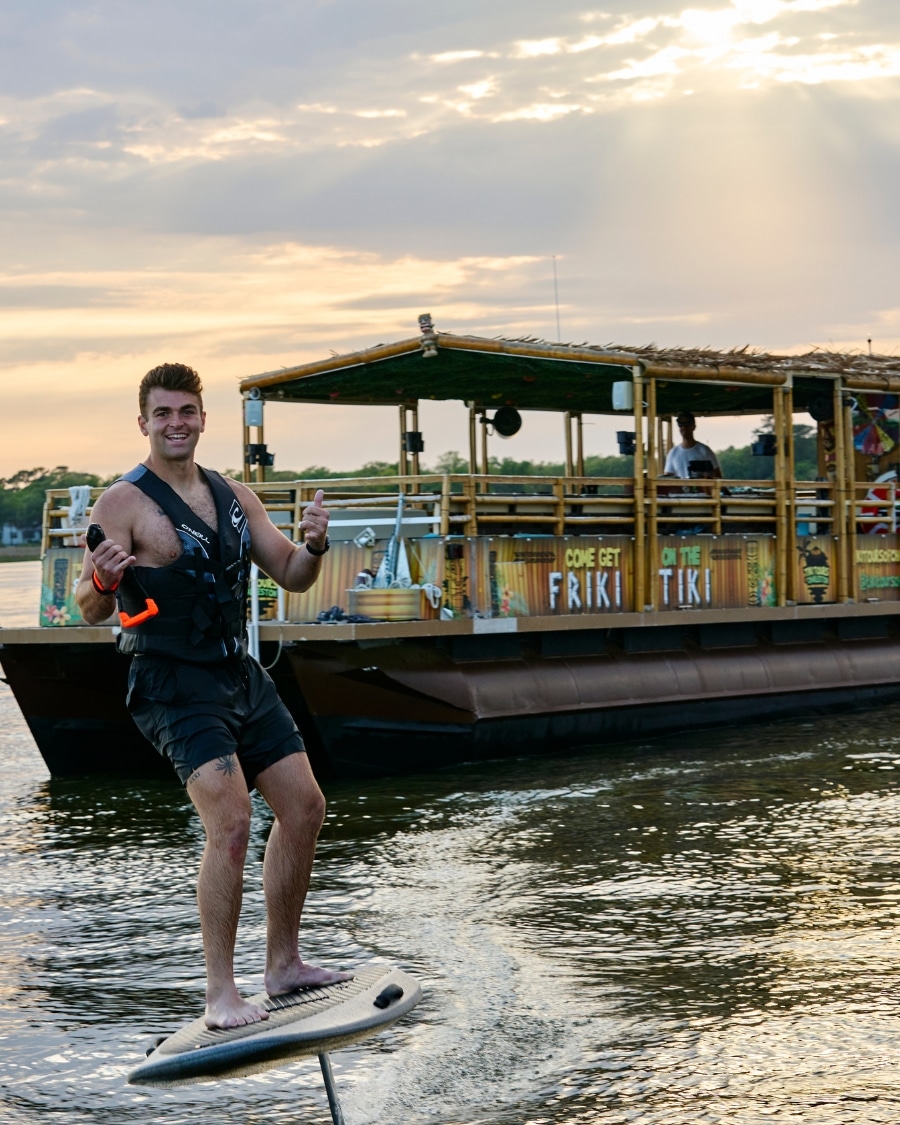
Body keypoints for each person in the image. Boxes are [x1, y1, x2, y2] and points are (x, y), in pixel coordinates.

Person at [75, 362, 351, 1030]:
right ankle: (220, 994)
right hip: (173, 684)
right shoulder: (121, 504)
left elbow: (291, 573)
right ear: (144, 423)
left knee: (305, 805)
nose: (177, 423)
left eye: (187, 411)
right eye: (163, 413)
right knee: (230, 822)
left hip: (237, 672)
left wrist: (316, 543)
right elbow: (87, 608)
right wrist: (106, 583)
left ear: (203, 418)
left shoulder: (233, 495)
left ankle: (283, 964)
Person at [663, 411, 722, 479]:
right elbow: (668, 479)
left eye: (687, 424)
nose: (684, 427)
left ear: (693, 427)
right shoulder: (673, 453)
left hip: (701, 489)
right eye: (680, 425)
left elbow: (718, 477)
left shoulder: (705, 450)